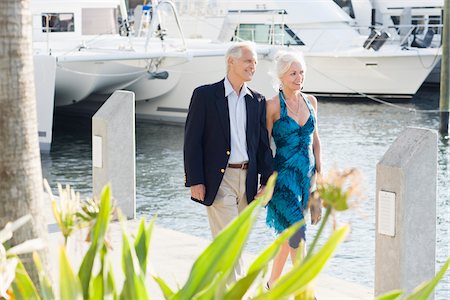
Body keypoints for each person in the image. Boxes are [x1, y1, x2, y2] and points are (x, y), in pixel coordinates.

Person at [183, 41, 274, 280]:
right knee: (229, 241)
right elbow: (192, 141)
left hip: (248, 181)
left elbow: (263, 145)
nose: (253, 66)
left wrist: (266, 181)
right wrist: (195, 180)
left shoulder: (257, 100)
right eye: (248, 61)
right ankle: (236, 293)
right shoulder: (204, 95)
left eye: (255, 62)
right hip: (219, 179)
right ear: (230, 62)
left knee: (238, 241)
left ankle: (224, 290)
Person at [265, 51, 322, 289]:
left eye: (301, 73)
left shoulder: (312, 101)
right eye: (293, 73)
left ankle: (271, 286)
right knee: (297, 232)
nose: (299, 78)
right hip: (282, 180)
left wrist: (319, 180)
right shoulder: (271, 106)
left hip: (305, 179)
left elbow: (316, 142)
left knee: (287, 237)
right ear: (281, 76)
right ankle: (304, 290)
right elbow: (264, 148)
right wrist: (264, 184)